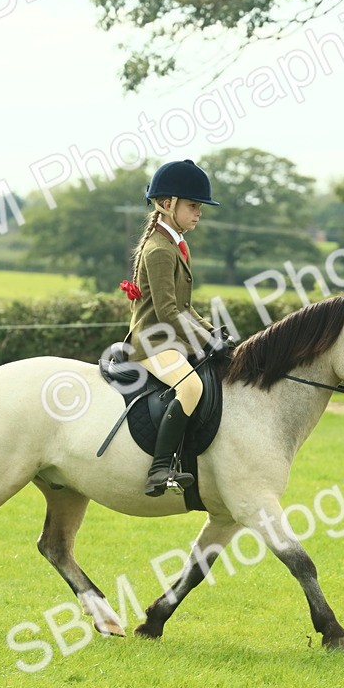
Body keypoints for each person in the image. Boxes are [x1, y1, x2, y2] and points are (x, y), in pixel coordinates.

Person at [121, 159, 225, 496]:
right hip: (152, 342)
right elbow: (167, 312)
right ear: (167, 204)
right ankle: (159, 468)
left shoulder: (177, 245)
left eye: (199, 207)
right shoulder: (159, 251)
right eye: (193, 206)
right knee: (191, 387)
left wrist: (211, 332)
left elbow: (185, 307)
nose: (199, 213)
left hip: (169, 339)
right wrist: (203, 342)